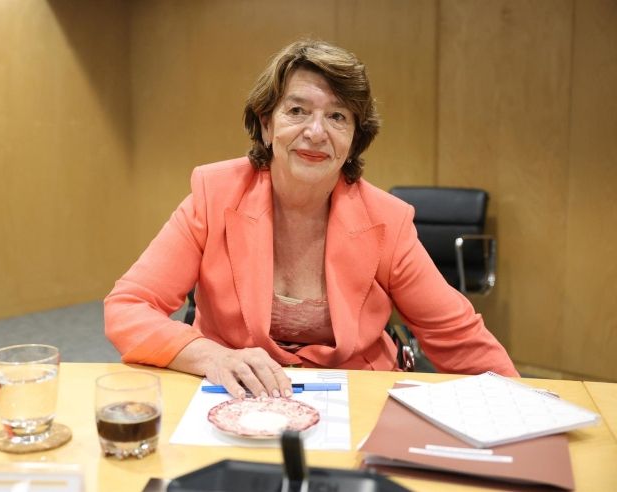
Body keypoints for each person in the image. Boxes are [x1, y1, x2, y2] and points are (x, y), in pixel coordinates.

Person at [104, 39, 518, 399]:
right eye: (298, 110)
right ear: (267, 125)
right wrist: (210, 355)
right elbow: (129, 306)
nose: (316, 132)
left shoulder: (387, 221)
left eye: (338, 116)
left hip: (357, 395)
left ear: (355, 138)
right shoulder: (214, 195)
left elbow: (458, 337)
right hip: (232, 393)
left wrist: (524, 414)